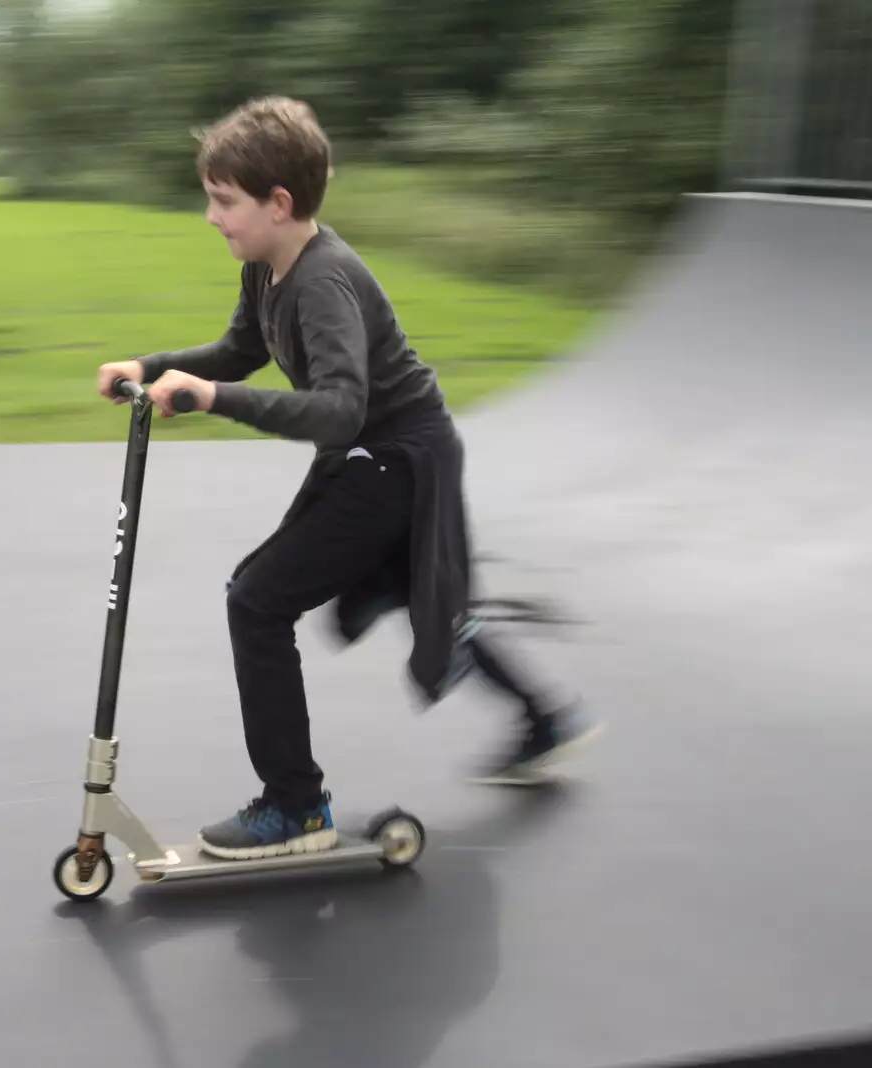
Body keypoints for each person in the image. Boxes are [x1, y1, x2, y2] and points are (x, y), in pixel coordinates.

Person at [94, 96, 599, 861]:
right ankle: (546, 719)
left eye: (222, 200)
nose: (209, 216)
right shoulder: (267, 269)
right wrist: (153, 367)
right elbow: (239, 349)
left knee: (256, 601)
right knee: (415, 594)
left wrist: (211, 400)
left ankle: (295, 807)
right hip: (382, 452)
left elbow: (336, 411)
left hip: (397, 459)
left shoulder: (323, 282)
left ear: (279, 202)